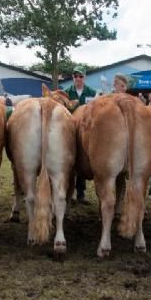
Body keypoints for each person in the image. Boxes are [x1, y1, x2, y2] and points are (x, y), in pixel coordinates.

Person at [63, 66, 96, 205]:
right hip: (70, 129)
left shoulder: (92, 92)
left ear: (85, 78)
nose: (78, 79)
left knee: (82, 160)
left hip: (85, 130)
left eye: (81, 76)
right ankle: (67, 194)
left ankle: (81, 193)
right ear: (73, 78)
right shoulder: (66, 92)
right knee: (69, 162)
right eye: (76, 76)